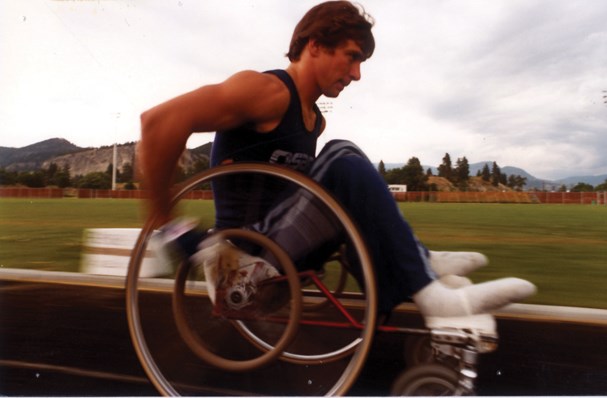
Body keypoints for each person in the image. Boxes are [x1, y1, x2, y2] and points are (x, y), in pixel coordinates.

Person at [139, 1, 535, 329]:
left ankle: (417, 263)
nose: (357, 74)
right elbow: (157, 122)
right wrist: (171, 229)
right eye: (351, 57)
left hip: (280, 250)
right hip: (242, 265)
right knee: (342, 159)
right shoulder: (267, 91)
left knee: (342, 161)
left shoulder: (314, 119)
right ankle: (431, 292)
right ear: (314, 45)